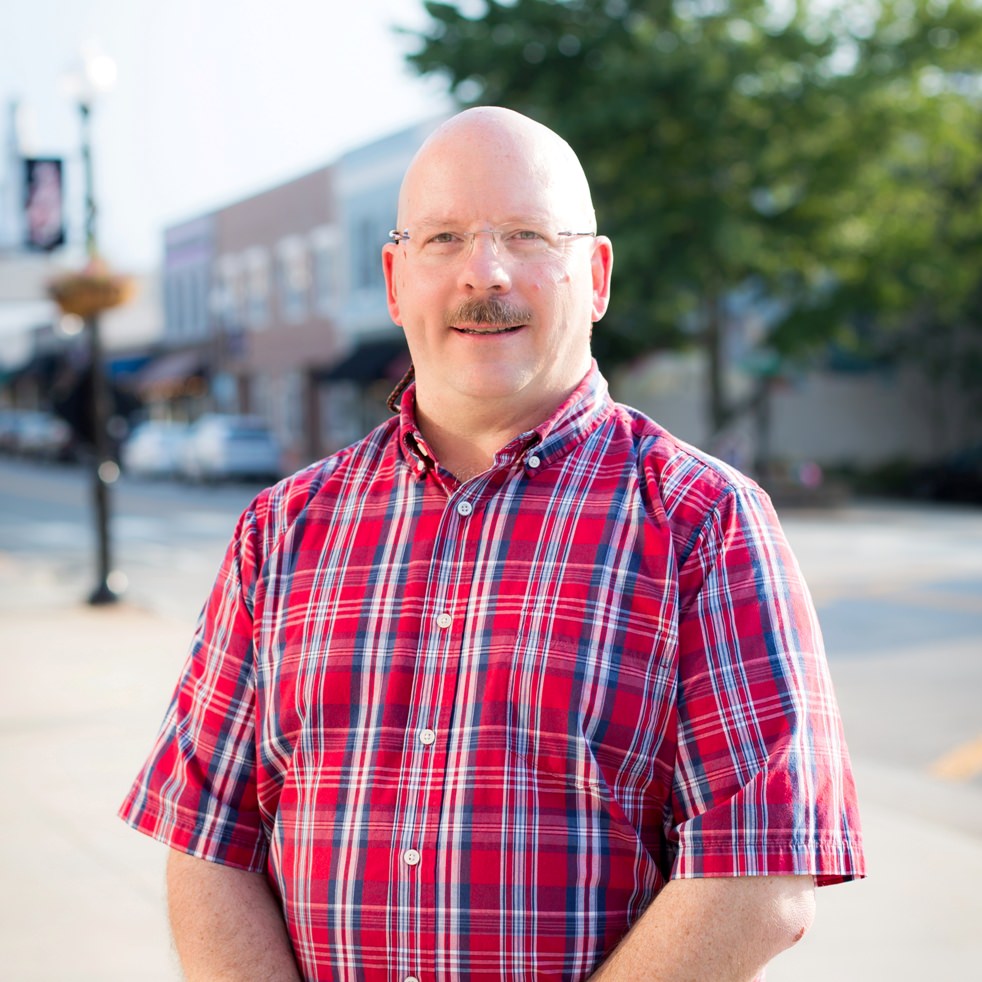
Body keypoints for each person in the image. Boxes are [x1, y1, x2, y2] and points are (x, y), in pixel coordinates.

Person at [121, 106, 864, 981]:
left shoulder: (704, 523)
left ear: (595, 275)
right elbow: (206, 837)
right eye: (444, 238)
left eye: (526, 233)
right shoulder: (282, 532)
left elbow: (760, 878)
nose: (486, 271)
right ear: (396, 280)